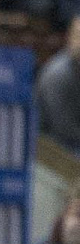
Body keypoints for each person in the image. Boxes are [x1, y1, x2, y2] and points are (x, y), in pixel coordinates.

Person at [37, 18, 80, 155]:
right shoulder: (58, 74)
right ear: (69, 38)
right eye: (78, 36)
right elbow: (64, 129)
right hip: (52, 147)